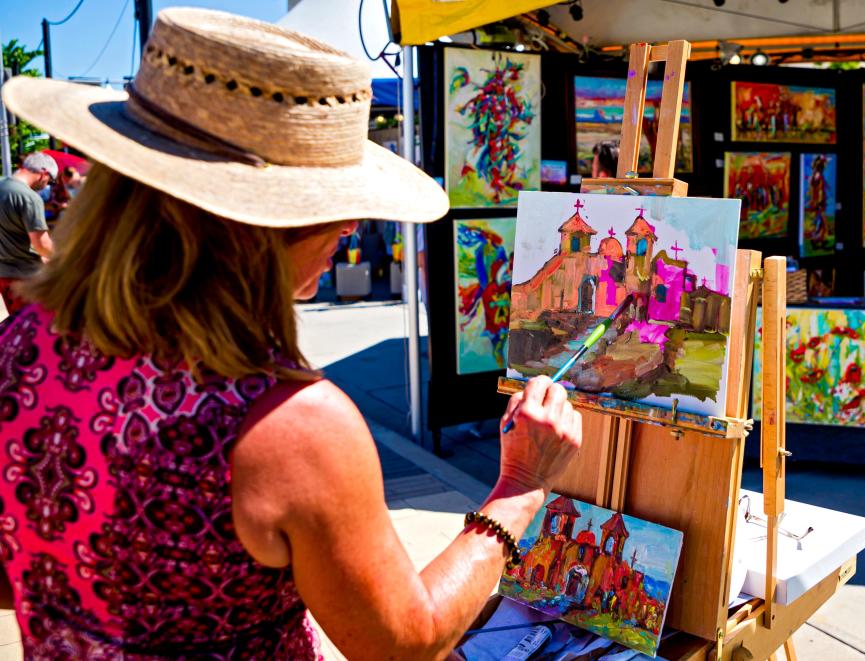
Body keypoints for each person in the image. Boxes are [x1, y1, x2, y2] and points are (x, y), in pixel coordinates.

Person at [0, 8, 581, 659]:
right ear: (259, 231)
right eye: (335, 212)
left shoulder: (25, 343)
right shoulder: (286, 423)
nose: (348, 231)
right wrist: (520, 486)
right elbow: (402, 642)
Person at [0, 151, 57, 314]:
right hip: (26, 275)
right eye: (50, 180)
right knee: (33, 328)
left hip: (3, 273)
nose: (48, 185)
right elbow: (42, 244)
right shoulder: (28, 197)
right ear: (43, 173)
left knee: (16, 326)